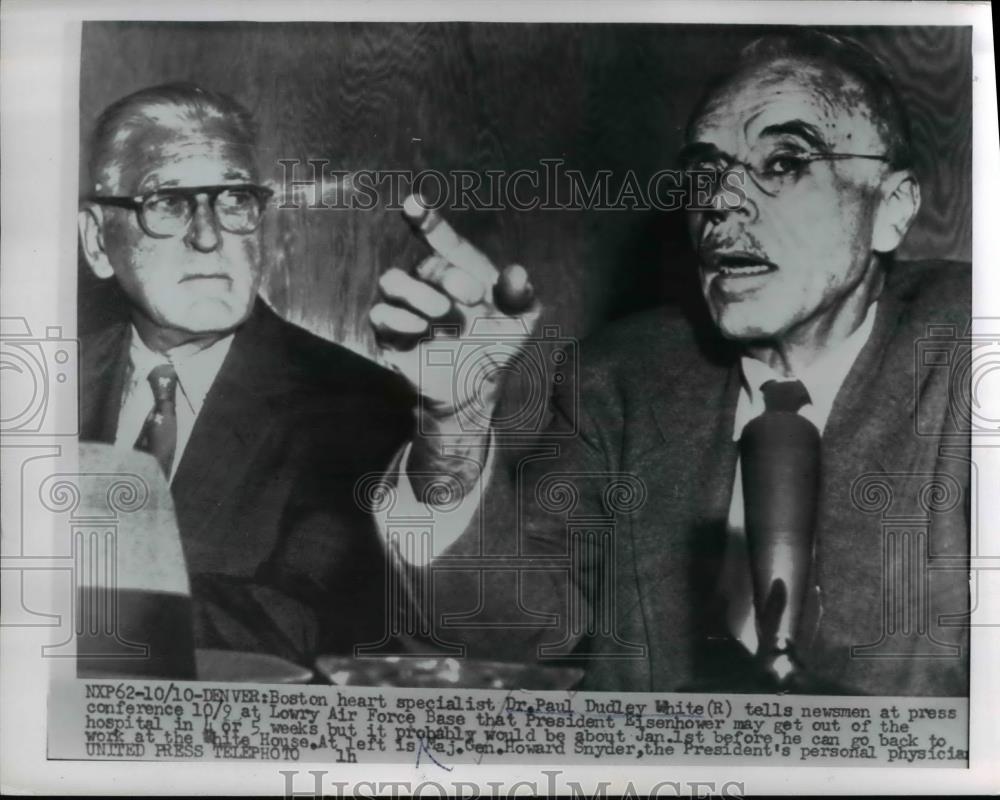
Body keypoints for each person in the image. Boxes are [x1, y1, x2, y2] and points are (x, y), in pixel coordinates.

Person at [376, 30, 970, 695]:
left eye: (782, 162)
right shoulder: (623, 379)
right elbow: (508, 635)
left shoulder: (970, 345)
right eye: (705, 173)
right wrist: (450, 428)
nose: (721, 204)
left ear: (891, 209)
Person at [78, 83, 419, 666]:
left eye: (234, 199)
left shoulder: (360, 406)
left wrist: (51, 606)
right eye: (166, 202)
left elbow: (307, 622)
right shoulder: (44, 385)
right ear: (97, 243)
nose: (208, 236)